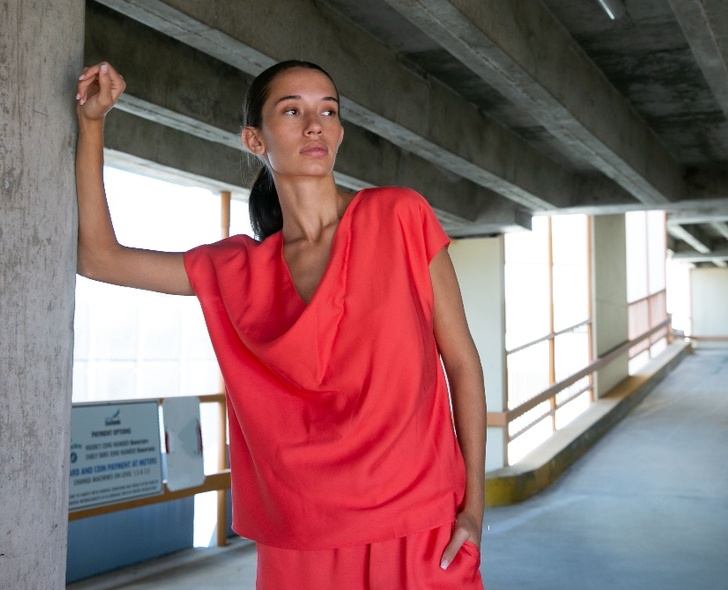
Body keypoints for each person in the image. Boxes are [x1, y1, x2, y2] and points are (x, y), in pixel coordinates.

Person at [75, 59, 486, 589]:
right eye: (292, 110)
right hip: (303, 536)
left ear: (338, 131)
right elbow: (100, 259)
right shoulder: (238, 268)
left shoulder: (400, 216)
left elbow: (462, 362)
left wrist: (474, 507)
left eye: (328, 111)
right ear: (255, 139)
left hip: (422, 522)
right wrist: (92, 125)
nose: (315, 124)